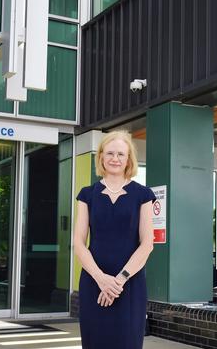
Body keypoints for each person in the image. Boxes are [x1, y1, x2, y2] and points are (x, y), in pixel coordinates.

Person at [73, 130, 155, 349]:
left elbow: (147, 244)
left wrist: (118, 281)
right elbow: (79, 244)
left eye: (121, 154)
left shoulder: (143, 195)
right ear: (100, 156)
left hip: (129, 284)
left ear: (129, 159)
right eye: (110, 153)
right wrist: (101, 279)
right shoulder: (87, 194)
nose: (115, 159)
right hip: (93, 281)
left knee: (127, 341)